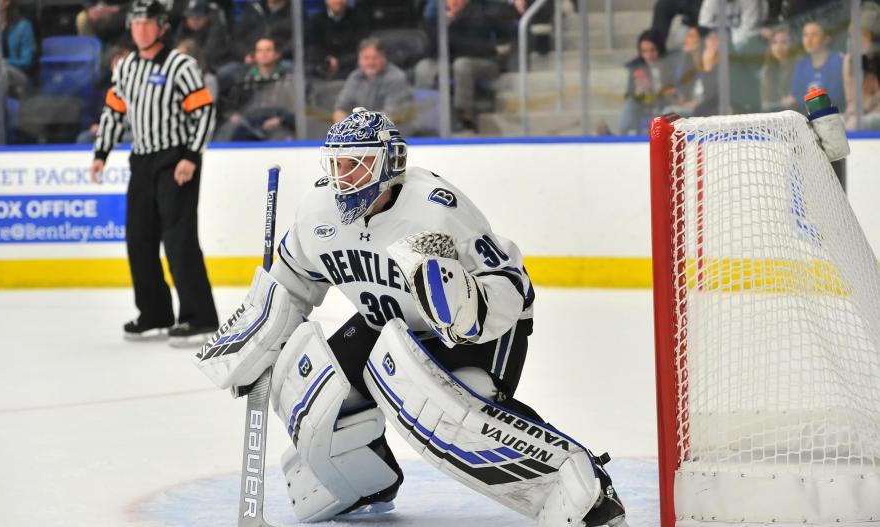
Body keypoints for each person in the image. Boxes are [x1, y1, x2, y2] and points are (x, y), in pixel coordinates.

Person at [195, 108, 628, 527]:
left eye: (358, 165)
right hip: (387, 324)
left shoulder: (435, 208)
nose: (344, 177)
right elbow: (290, 286)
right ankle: (366, 481)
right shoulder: (316, 214)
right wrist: (261, 337)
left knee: (458, 410)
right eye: (337, 164)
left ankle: (582, 488)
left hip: (472, 332)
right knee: (313, 390)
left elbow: (508, 282)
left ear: (390, 164)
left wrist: (466, 310)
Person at [87, 0, 219, 347]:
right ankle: (155, 313)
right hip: (142, 160)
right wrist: (101, 152)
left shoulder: (181, 64)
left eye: (148, 23)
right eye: (135, 23)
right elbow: (114, 111)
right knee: (139, 240)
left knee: (179, 240)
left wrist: (191, 156)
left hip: (175, 159)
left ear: (161, 27)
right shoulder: (126, 66)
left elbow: (204, 111)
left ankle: (199, 317)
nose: (141, 29)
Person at [414, 0, 515, 131]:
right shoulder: (439, 18)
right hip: (450, 60)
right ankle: (425, 117)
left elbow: (476, 47)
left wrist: (452, 32)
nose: (452, 2)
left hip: (484, 61)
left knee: (462, 65)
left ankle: (465, 115)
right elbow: (430, 50)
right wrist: (444, 26)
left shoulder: (480, 14)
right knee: (424, 66)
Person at [214, 36, 295, 141]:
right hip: (248, 129)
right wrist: (235, 117)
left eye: (268, 50)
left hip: (280, 130)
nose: (263, 54)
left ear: (277, 54)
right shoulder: (243, 82)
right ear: (255, 55)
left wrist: (282, 120)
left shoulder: (289, 81)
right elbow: (230, 109)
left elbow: (297, 110)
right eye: (260, 50)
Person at [332, 37, 414, 125]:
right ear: (359, 60)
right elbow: (340, 108)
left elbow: (391, 116)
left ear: (384, 58)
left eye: (375, 58)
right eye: (366, 58)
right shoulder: (355, 77)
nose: (370, 62)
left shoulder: (396, 78)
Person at [617, 29, 672, 135]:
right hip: (642, 105)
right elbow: (629, 93)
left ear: (660, 49)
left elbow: (674, 90)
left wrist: (658, 89)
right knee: (629, 105)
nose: (649, 55)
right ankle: (620, 138)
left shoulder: (669, 66)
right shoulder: (636, 67)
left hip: (664, 105)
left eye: (652, 50)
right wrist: (638, 91)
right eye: (645, 51)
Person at [305, 0, 369, 80]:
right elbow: (311, 47)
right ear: (326, 1)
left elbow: (364, 49)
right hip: (322, 71)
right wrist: (326, 60)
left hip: (352, 70)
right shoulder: (315, 21)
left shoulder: (359, 18)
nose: (338, 1)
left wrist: (339, 62)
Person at [791, 20, 845, 112]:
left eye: (814, 35)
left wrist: (803, 99)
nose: (809, 40)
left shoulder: (838, 61)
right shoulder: (801, 65)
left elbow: (834, 97)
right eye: (805, 35)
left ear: (826, 39)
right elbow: (796, 96)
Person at [760, 26, 796, 112]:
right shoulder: (766, 69)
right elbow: (765, 103)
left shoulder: (800, 66)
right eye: (774, 42)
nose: (778, 46)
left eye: (784, 42)